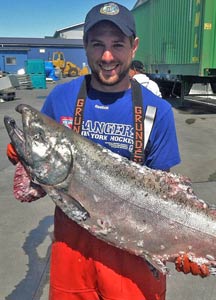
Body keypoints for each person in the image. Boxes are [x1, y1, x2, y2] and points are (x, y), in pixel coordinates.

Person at [7, 2, 210, 300]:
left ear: (134, 46)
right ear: (85, 46)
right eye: (97, 44)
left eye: (117, 44)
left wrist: (188, 245)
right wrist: (26, 162)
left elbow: (166, 196)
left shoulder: (158, 112)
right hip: (72, 260)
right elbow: (33, 191)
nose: (107, 56)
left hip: (135, 268)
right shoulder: (61, 98)